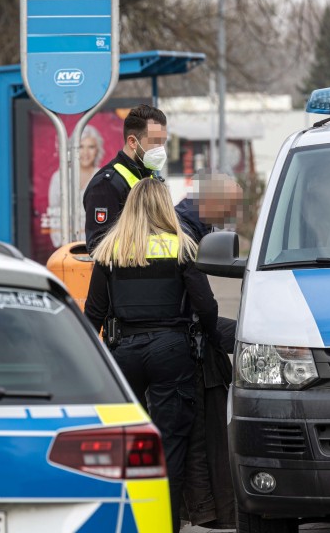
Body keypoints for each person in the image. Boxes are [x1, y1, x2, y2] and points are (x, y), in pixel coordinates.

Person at [84, 178, 219, 533]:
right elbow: (206, 307)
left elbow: (93, 313)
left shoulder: (110, 249)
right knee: (170, 442)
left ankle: (127, 520)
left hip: (123, 351)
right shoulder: (182, 247)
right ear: (163, 207)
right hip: (171, 350)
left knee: (129, 440)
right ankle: (164, 524)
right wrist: (209, 336)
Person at [175, 173, 244, 529]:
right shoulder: (185, 232)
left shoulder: (191, 225)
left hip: (178, 337)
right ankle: (209, 512)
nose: (231, 216)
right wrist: (220, 340)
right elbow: (204, 306)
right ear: (213, 202)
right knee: (203, 432)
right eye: (230, 207)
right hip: (188, 341)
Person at [83, 104, 168, 251]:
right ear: (132, 142)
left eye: (163, 142)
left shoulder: (150, 176)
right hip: (127, 273)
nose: (161, 149)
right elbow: (99, 246)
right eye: (155, 142)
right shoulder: (105, 185)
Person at [47, 125, 105, 247]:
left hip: (97, 248)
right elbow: (54, 214)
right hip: (66, 247)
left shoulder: (104, 177)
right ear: (72, 149)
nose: (85, 153)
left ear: (97, 150)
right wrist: (62, 245)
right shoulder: (59, 177)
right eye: (80, 146)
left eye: (91, 147)